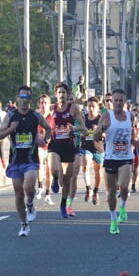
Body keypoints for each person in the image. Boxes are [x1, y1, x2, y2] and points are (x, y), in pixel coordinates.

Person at [0, 85, 52, 236]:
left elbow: (48, 128)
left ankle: (31, 204)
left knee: (29, 187)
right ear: (17, 98)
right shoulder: (10, 116)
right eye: (22, 97)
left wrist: (45, 140)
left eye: (27, 98)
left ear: (31, 100)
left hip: (30, 159)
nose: (24, 101)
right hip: (15, 160)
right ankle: (24, 224)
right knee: (18, 194)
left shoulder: (36, 116)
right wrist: (10, 129)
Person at [94, 89, 138, 235]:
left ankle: (123, 206)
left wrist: (135, 141)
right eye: (116, 100)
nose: (118, 103)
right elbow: (95, 136)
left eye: (121, 100)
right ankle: (113, 220)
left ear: (125, 102)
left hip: (126, 157)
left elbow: (132, 135)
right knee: (111, 192)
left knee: (124, 186)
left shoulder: (130, 117)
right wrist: (102, 128)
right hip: (110, 157)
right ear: (111, 102)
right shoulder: (107, 116)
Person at [48, 82, 84, 219]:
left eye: (64, 92)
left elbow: (82, 126)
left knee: (68, 179)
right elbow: (42, 121)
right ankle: (55, 179)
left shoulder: (73, 108)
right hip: (55, 144)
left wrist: (74, 129)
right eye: (59, 93)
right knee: (55, 169)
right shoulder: (52, 108)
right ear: (55, 95)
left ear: (67, 94)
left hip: (69, 146)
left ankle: (63, 205)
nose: (61, 95)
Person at [77, 96, 105, 205]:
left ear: (98, 108)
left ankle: (96, 191)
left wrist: (98, 131)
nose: (91, 108)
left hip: (98, 148)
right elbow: (79, 130)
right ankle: (88, 188)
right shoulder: (83, 118)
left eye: (93, 106)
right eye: (89, 106)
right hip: (86, 146)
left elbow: (106, 135)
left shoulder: (101, 119)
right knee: (86, 164)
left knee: (98, 172)